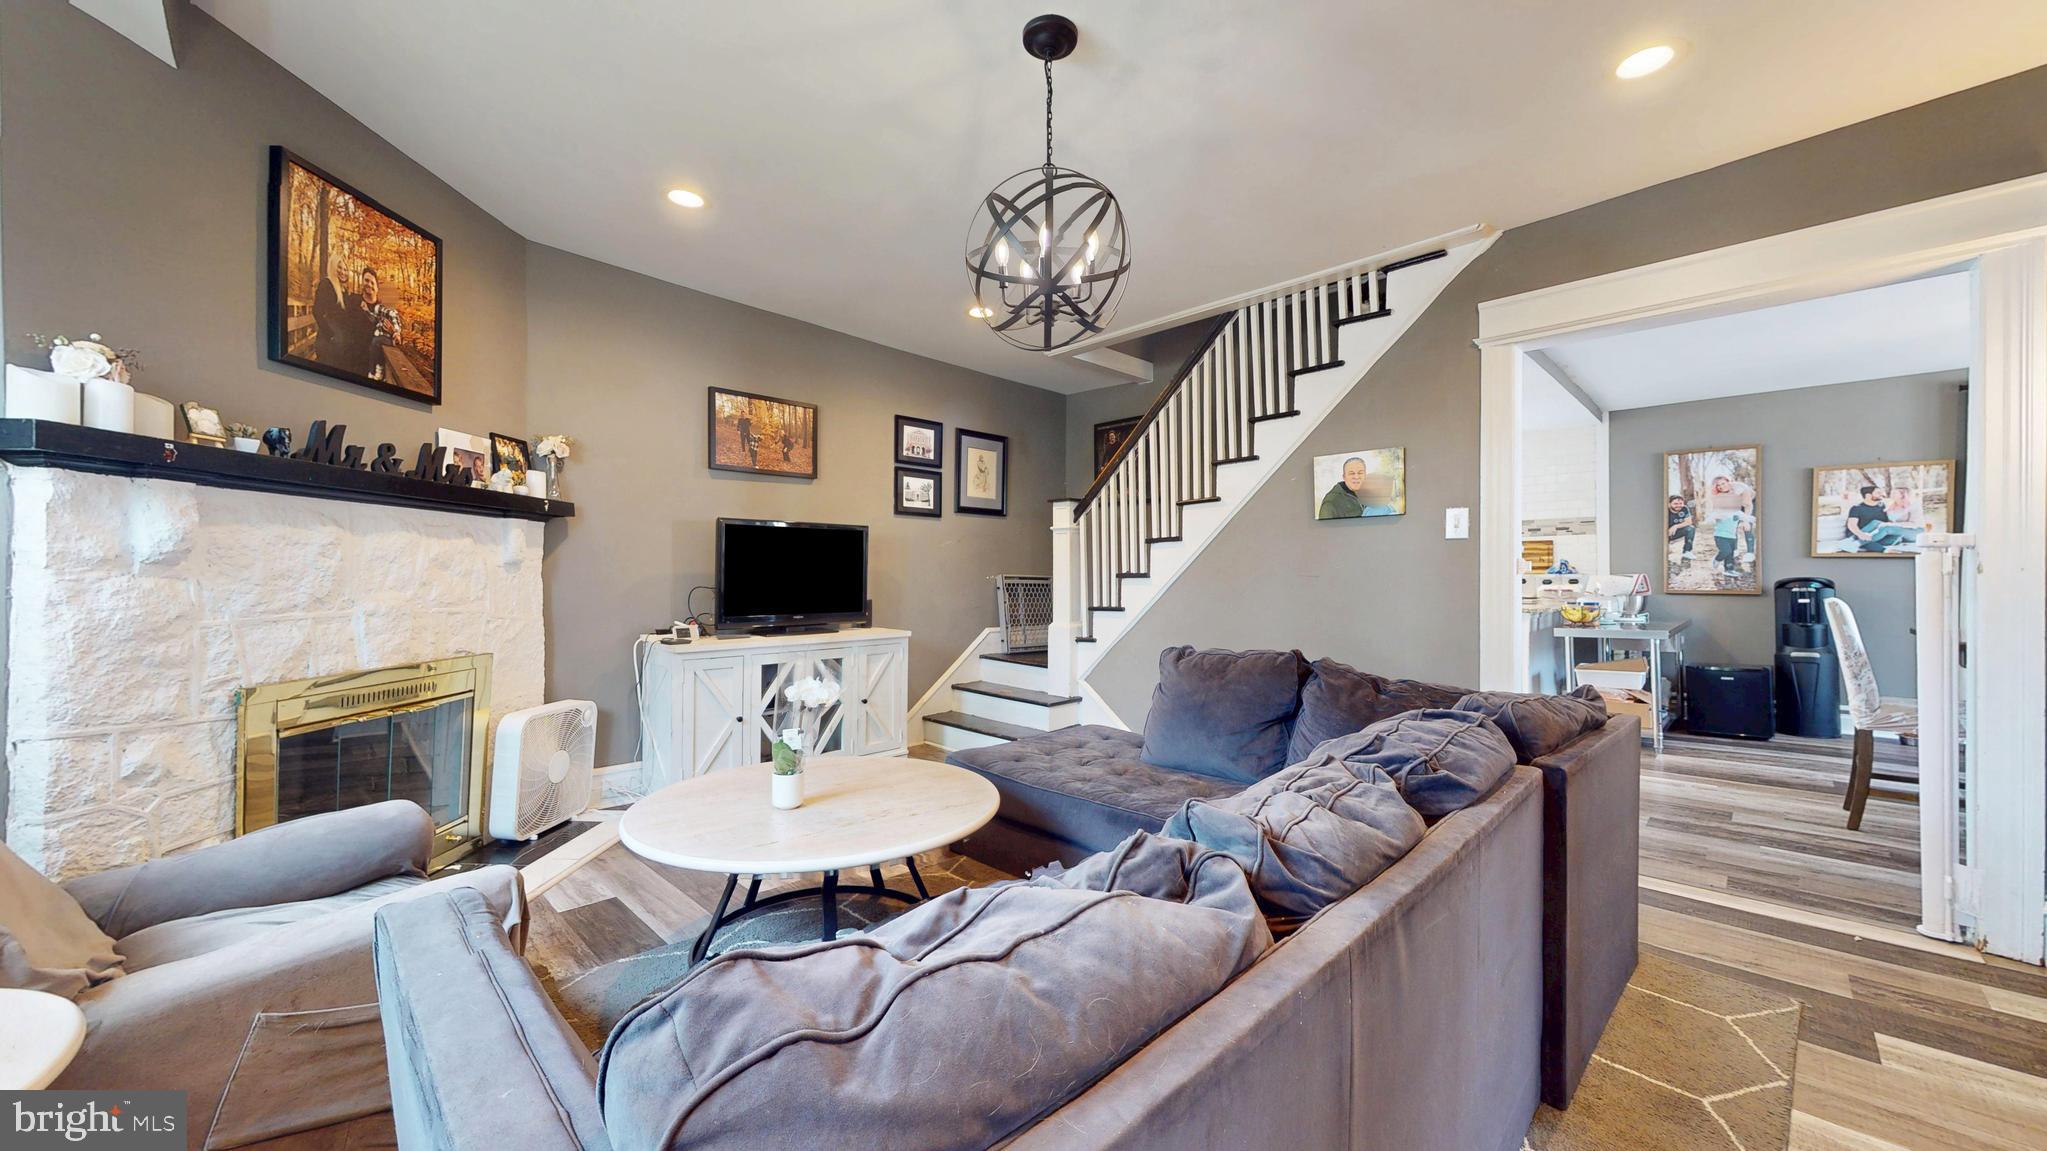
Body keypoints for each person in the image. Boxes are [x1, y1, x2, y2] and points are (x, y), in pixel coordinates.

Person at [1845, 483, 1895, 552]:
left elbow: (1886, 523)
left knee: (1897, 538)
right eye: (1878, 493)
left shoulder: (1882, 506)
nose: (1881, 494)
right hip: (1859, 533)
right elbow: (1851, 525)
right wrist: (1861, 534)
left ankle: (1863, 543)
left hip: (1875, 534)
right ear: (1868, 495)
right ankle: (1882, 549)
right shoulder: (1857, 508)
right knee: (1875, 523)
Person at [1714, 508, 1753, 577]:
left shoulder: (1738, 512)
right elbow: (1712, 517)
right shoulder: (1720, 510)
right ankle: (1717, 559)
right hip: (1720, 536)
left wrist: (1746, 522)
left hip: (1732, 537)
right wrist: (1718, 516)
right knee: (1726, 551)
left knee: (1731, 554)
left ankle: (1729, 569)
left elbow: (1746, 517)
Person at [1666, 495, 1696, 564]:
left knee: (1690, 528)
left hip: (1674, 533)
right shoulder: (1665, 510)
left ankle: (1687, 551)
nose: (1678, 506)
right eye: (1675, 504)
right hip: (1662, 534)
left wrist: (1675, 526)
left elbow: (1689, 522)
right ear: (1669, 504)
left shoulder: (1684, 509)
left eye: (1680, 503)